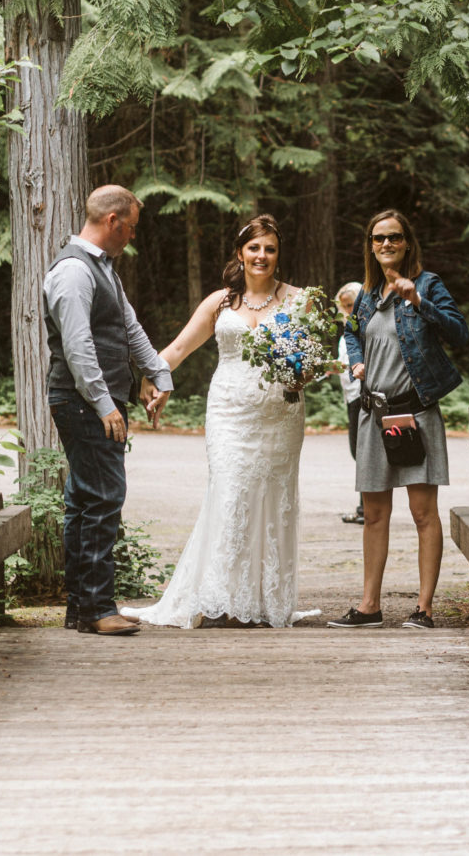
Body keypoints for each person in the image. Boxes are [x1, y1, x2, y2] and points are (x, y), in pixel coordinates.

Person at [121, 215, 321, 629]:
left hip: (280, 415)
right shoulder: (220, 302)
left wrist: (303, 373)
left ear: (278, 255)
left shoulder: (300, 301)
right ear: (240, 253)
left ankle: (263, 602)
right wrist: (152, 375)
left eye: (269, 248)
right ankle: (217, 599)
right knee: (230, 491)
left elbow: (314, 363)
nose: (261, 256)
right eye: (254, 248)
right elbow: (179, 347)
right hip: (230, 413)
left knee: (271, 499)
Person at [328, 209, 467, 631]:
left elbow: (459, 332)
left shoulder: (427, 284)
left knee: (423, 513)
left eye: (393, 237)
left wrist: (417, 301)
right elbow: (352, 331)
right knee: (374, 515)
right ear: (370, 245)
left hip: (416, 412)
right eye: (377, 238)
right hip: (377, 412)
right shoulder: (368, 292)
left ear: (407, 242)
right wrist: (355, 362)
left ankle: (424, 609)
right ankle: (369, 606)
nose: (385, 244)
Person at [44, 185, 173, 636]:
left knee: (84, 501)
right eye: (132, 228)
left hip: (93, 402)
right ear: (113, 221)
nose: (132, 237)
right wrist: (103, 404)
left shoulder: (104, 269)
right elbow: (78, 348)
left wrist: (160, 373)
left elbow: (128, 327)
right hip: (82, 403)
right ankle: (98, 609)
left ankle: (82, 609)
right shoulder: (74, 272)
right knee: (102, 499)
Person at [335, 281, 366, 525]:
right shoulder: (349, 326)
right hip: (351, 396)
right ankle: (366, 507)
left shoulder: (365, 324)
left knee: (362, 452)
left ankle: (366, 509)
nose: (348, 309)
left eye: (351, 304)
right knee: (358, 452)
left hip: (363, 395)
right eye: (344, 306)